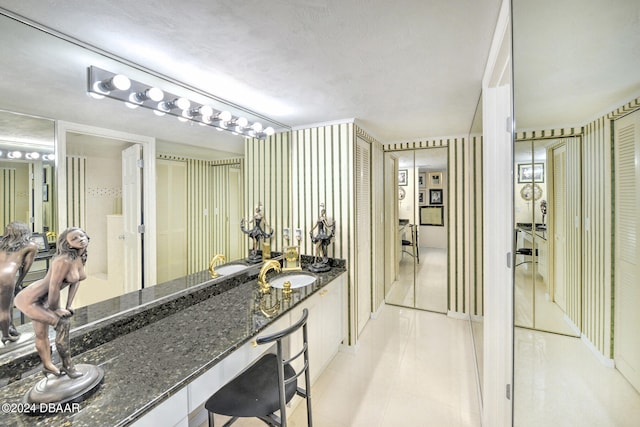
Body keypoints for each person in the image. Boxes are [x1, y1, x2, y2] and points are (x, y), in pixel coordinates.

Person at [15, 227, 89, 378]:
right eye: (74, 238)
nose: (80, 239)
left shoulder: (80, 257)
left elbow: (75, 281)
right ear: (67, 244)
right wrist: (55, 309)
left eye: (81, 236)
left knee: (42, 333)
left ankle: (48, 366)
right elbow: (54, 286)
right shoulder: (62, 260)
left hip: (46, 299)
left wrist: (68, 304)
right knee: (61, 325)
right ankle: (67, 366)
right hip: (30, 300)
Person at [0, 222, 38, 344]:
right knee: (4, 308)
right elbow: (26, 267)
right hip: (7, 276)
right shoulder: (31, 245)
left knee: (7, 303)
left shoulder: (2, 244)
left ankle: (10, 327)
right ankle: (6, 335)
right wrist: (19, 283)